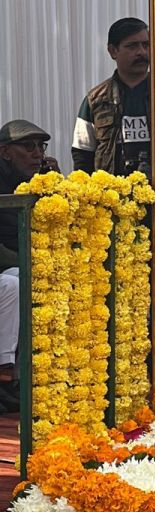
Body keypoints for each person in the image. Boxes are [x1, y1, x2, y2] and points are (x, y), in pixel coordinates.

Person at [0, 119, 59, 412]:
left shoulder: (39, 177)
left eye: (41, 146)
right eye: (28, 146)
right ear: (6, 152)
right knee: (17, 281)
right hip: (9, 268)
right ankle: (7, 376)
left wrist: (58, 187)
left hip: (25, 263)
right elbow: (10, 243)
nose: (37, 153)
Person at [72, 17, 151, 177]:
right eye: (132, 46)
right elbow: (82, 154)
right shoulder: (95, 100)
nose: (141, 52)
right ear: (113, 51)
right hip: (112, 196)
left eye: (146, 45)